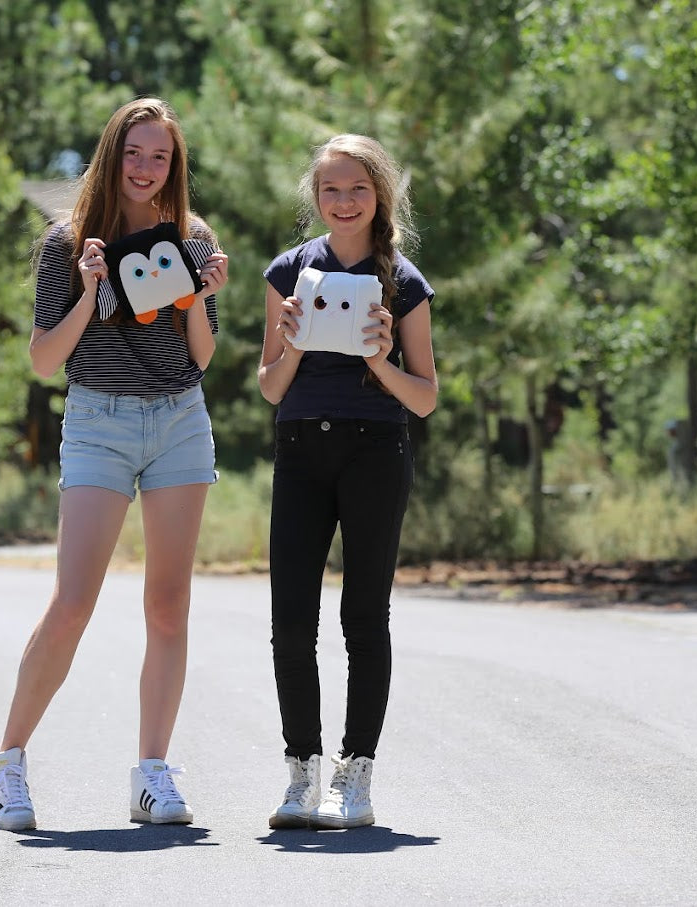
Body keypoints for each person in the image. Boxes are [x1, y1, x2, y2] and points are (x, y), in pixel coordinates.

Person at [0, 97, 229, 831]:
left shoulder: (191, 238)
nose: (146, 169)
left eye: (160, 157)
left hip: (179, 420)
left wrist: (200, 296)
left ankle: (152, 772)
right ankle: (9, 763)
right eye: (134, 153)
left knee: (168, 605)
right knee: (72, 604)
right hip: (99, 419)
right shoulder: (66, 243)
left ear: (173, 166)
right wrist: (91, 290)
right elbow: (42, 360)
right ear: (111, 155)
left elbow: (202, 356)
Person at [257, 134, 437, 829]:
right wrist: (296, 341)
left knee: (364, 619)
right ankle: (301, 773)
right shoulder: (287, 273)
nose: (343, 201)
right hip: (301, 450)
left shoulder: (406, 280)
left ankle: (354, 777)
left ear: (380, 195)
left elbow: (423, 398)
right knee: (290, 623)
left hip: (375, 451)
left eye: (358, 188)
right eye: (331, 189)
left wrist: (380, 356)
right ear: (315, 196)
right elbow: (271, 387)